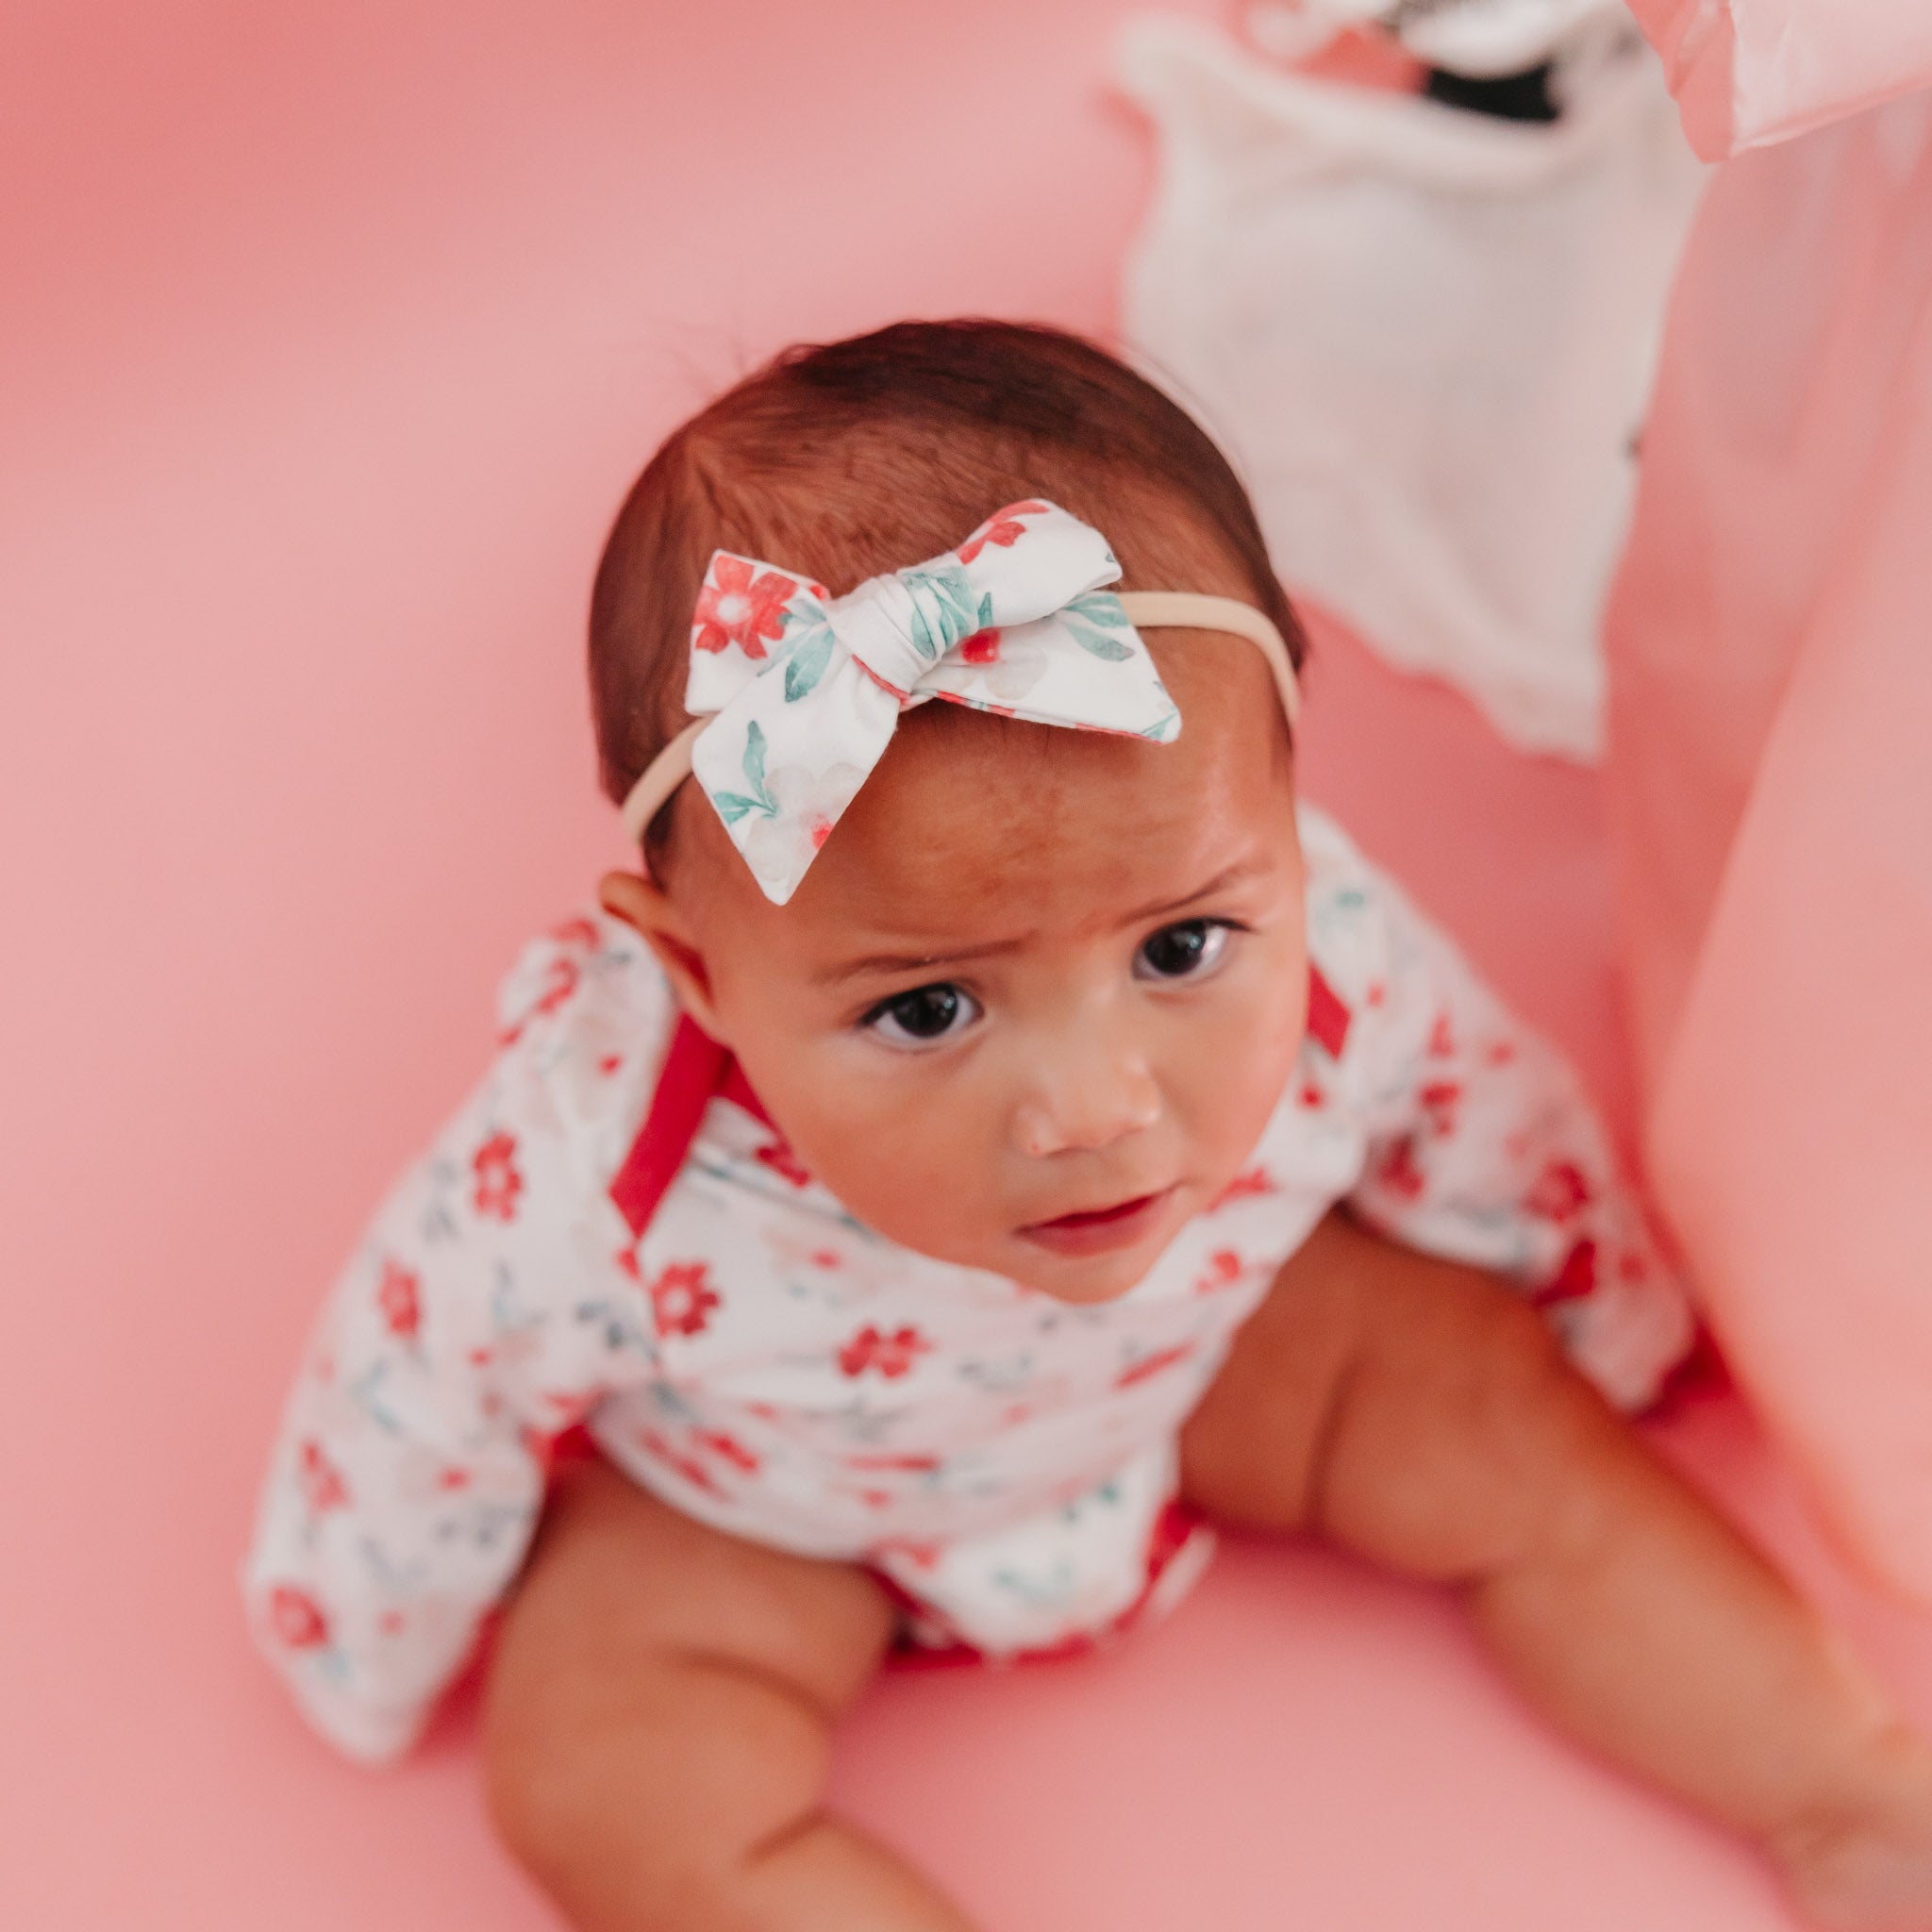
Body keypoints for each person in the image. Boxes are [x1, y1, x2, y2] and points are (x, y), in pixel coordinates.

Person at [243, 320, 1932, 1931]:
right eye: (926, 1010)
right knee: (607, 1787)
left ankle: (1850, 1785)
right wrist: (364, 1633)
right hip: (771, 1500)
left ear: (1282, 831)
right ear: (694, 973)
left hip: (1203, 1353)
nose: (1095, 1111)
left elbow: (1476, 1105)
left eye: (1179, 952)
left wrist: (1600, 1315)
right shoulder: (590, 1150)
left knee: (1491, 1408)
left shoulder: (1335, 943)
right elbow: (417, 1373)